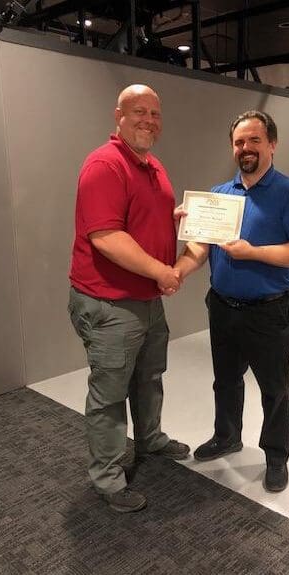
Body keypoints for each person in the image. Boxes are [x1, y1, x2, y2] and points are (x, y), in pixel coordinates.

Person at [174, 110, 289, 492]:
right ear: (232, 148)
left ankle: (275, 455)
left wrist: (252, 252)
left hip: (268, 312)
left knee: (274, 388)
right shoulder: (219, 196)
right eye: (239, 142)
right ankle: (227, 436)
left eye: (254, 140)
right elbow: (199, 247)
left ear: (272, 144)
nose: (246, 148)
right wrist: (177, 270)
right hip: (222, 306)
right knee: (225, 380)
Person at [68, 84, 189, 514]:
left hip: (146, 298)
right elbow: (106, 236)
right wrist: (162, 272)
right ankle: (108, 475)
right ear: (118, 115)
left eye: (155, 114)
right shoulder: (105, 164)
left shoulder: (152, 166)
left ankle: (150, 438)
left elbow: (141, 219)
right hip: (110, 302)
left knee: (149, 375)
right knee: (110, 392)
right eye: (139, 111)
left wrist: (176, 220)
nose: (148, 120)